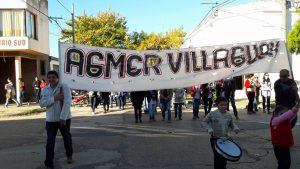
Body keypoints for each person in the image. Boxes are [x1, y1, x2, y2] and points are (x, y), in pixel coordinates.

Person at [39, 71, 73, 169]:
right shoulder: (45, 89)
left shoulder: (64, 87)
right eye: (49, 77)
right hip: (50, 120)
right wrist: (54, 98)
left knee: (67, 138)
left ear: (57, 78)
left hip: (64, 118)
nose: (51, 79)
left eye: (53, 77)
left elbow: (67, 102)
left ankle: (69, 155)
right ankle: (49, 163)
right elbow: (42, 103)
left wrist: (63, 117)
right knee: (50, 141)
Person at [202, 96, 240, 169]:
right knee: (218, 157)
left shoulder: (229, 114)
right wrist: (209, 129)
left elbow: (232, 124)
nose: (224, 106)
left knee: (224, 156)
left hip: (226, 139)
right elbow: (204, 122)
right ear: (217, 105)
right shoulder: (212, 114)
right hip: (215, 139)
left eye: (225, 104)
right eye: (221, 105)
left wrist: (235, 128)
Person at [270, 102, 300, 169]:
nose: (284, 115)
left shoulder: (286, 121)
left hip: (286, 146)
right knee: (283, 164)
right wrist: (292, 110)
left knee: (288, 163)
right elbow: (284, 117)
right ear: (275, 114)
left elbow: (290, 116)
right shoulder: (275, 120)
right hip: (278, 147)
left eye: (285, 113)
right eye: (282, 113)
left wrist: (295, 110)